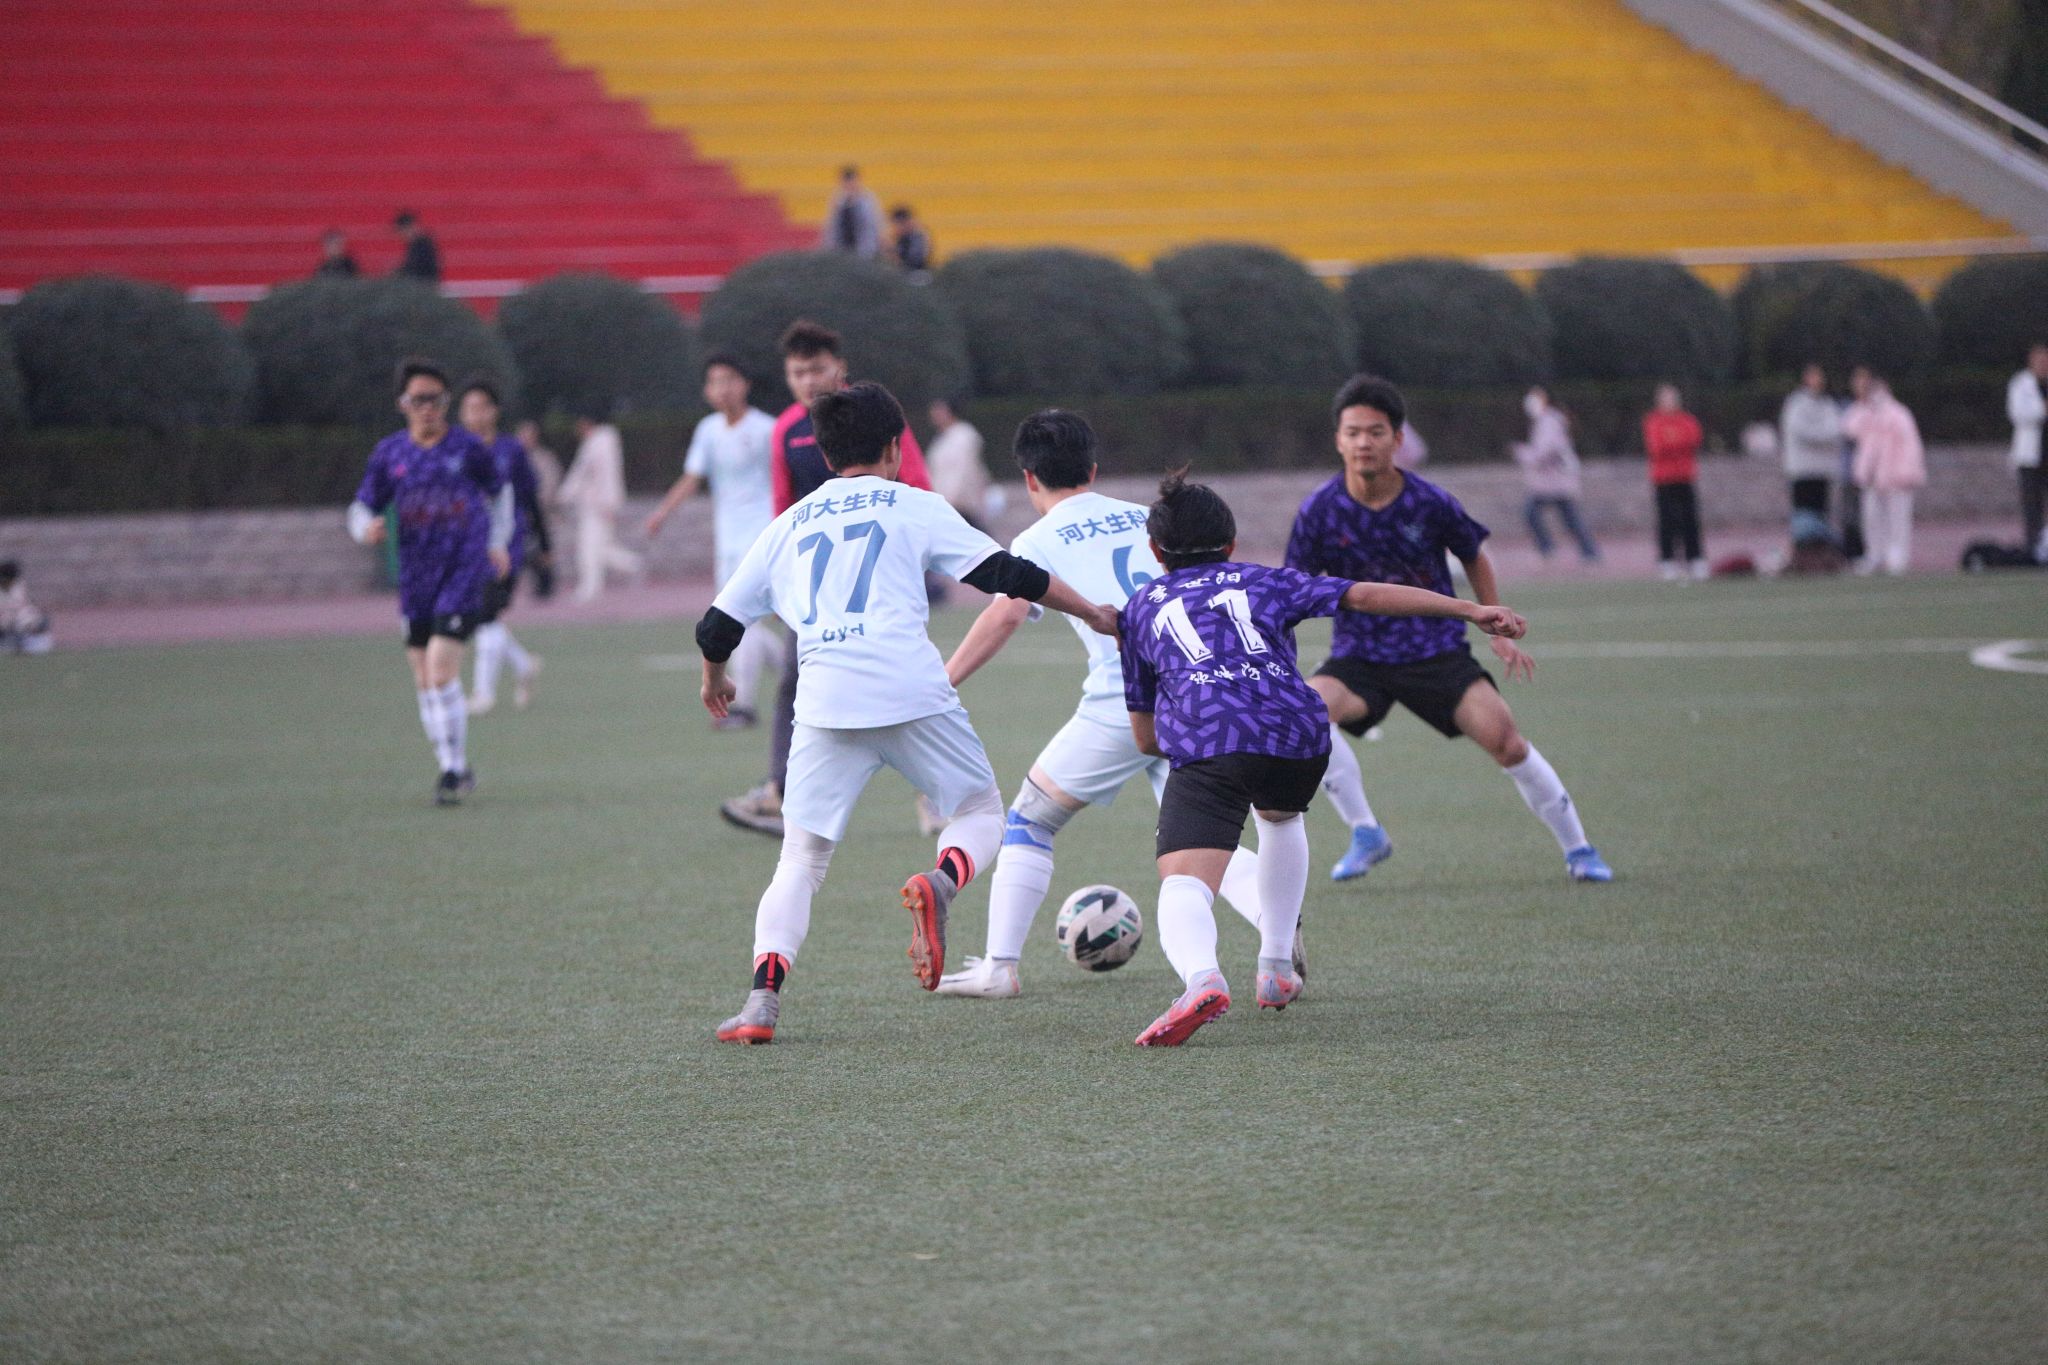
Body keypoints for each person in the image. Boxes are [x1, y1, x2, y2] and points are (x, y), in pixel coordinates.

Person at [695, 382, 1119, 1045]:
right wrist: (1091, 611)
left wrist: (715, 678)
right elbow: (1008, 574)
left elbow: (716, 626)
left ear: (825, 454)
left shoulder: (789, 525)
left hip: (825, 702)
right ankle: (942, 881)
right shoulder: (915, 504)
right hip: (910, 690)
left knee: (800, 859)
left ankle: (760, 1003)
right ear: (896, 448)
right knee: (982, 814)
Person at [1121, 473, 1526, 1047]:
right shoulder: (1266, 579)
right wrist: (1470, 609)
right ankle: (1275, 968)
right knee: (1281, 818)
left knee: (1183, 880)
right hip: (1300, 729)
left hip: (1213, 734)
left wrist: (1197, 737)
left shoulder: (1138, 609)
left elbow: (1144, 737)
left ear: (1155, 552)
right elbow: (1364, 594)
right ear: (1231, 544)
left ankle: (1202, 979)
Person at [932, 411, 1278, 1000]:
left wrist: (944, 681)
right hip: (1195, 694)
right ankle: (1276, 928)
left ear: (1029, 478)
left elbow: (1007, 613)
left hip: (1123, 702)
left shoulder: (1036, 540)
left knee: (1030, 820)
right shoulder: (1147, 517)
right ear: (1092, 470)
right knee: (1201, 834)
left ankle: (999, 968)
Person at [1287, 374, 1613, 885]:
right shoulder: (1319, 511)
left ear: (1398, 439)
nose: (1364, 442)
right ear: (1338, 441)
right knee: (1305, 713)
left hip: (1435, 651)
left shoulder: (1430, 501)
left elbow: (1473, 553)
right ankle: (1366, 832)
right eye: (1353, 433)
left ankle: (1580, 849)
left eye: (1375, 432)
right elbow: (1293, 588)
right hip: (1359, 656)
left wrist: (1496, 628)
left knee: (1507, 741)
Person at [719, 320, 931, 837]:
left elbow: (919, 486)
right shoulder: (786, 431)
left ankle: (938, 793)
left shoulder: (877, 416)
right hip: (816, 587)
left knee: (910, 677)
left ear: (840, 368)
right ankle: (780, 794)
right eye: (797, 372)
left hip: (879, 578)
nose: (808, 380)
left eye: (817, 369)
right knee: (794, 682)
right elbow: (782, 510)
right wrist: (779, 585)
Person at [345, 358, 511, 805]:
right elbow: (361, 506)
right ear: (403, 403)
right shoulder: (389, 454)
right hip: (416, 575)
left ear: (446, 402)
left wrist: (498, 542)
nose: (428, 408)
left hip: (462, 568)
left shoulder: (468, 448)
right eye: (419, 399)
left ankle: (453, 771)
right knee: (423, 677)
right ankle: (450, 762)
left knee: (440, 668)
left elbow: (500, 492)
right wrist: (364, 529)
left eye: (435, 399)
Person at [645, 353, 782, 727]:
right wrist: (662, 513)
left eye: (729, 379)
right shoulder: (708, 430)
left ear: (745, 384)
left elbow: (784, 480)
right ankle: (796, 671)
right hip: (728, 541)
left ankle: (744, 707)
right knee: (746, 622)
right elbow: (693, 477)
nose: (722, 388)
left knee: (742, 620)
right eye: (714, 381)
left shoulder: (768, 429)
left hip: (763, 536)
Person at [456, 379, 546, 715]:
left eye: (482, 407)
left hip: (506, 547)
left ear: (494, 411)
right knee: (478, 616)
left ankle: (483, 694)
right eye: (469, 408)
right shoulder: (454, 451)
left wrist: (545, 543)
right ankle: (523, 665)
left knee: (487, 613)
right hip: (465, 547)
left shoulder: (511, 450)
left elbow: (530, 497)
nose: (476, 415)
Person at [1844, 365, 1926, 576]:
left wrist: (1907, 473)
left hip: (1896, 475)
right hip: (1872, 476)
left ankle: (1897, 556)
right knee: (1871, 518)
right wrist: (1864, 406)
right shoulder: (1865, 411)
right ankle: (1875, 554)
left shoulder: (1899, 414)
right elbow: (1849, 428)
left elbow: (1910, 446)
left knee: (1897, 518)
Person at [559, 411, 644, 603]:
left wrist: (567, 494)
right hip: (594, 504)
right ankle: (632, 565)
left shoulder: (599, 443)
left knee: (589, 547)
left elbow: (597, 474)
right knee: (601, 547)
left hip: (598, 506)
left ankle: (590, 588)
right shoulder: (599, 442)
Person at [1513, 386, 1599, 562]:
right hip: (1553, 481)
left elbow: (1544, 452)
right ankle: (1587, 551)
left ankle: (1552, 548)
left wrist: (1523, 453)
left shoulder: (1549, 422)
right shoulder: (1546, 421)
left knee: (1533, 513)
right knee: (1569, 517)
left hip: (1555, 480)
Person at [1643, 383, 1707, 580]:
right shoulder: (1653, 421)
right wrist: (1677, 445)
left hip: (1685, 476)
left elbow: (1693, 441)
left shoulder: (1687, 420)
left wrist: (1674, 443)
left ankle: (1695, 559)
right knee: (1666, 521)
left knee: (1690, 519)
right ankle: (1667, 561)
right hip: (1663, 478)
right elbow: (1657, 447)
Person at [1780, 364, 1843, 549]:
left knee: (1821, 513)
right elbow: (1801, 431)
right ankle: (1803, 551)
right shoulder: (1796, 404)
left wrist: (1821, 435)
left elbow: (1836, 430)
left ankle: (1820, 550)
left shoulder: (1828, 404)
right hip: (1802, 470)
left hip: (1822, 470)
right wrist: (1823, 435)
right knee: (1803, 514)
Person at [2007, 343, 2048, 558]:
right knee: (2032, 505)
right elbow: (2017, 413)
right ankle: (2033, 549)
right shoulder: (2020, 384)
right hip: (2031, 457)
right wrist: (2042, 409)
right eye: (2039, 360)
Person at [514, 420, 562, 598]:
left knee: (542, 550)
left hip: (541, 512)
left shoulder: (544, 458)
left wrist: (536, 504)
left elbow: (551, 483)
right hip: (518, 513)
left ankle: (545, 586)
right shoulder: (512, 456)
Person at [818, 166, 883, 258]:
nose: (850, 185)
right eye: (847, 182)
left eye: (852, 181)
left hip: (864, 246)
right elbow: (832, 225)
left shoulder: (868, 199)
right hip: (842, 245)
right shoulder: (837, 199)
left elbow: (873, 224)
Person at [0, 560, 53, 654]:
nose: (13, 582)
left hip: (17, 625)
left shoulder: (18, 587)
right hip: (5, 628)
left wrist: (31, 621)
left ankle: (24, 643)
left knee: (39, 621)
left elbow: (22, 607)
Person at [392, 210, 441, 284]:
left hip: (423, 285)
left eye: (401, 231)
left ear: (408, 227)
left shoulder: (423, 244)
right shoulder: (416, 244)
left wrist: (400, 273)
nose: (401, 236)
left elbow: (418, 268)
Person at [890, 204, 932, 275]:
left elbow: (915, 261)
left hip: (917, 273)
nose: (895, 228)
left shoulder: (918, 236)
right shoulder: (901, 238)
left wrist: (893, 256)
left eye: (897, 224)